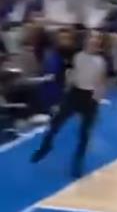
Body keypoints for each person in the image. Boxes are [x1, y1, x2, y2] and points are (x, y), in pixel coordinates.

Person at [30, 32, 107, 178]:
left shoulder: (101, 61)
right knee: (55, 123)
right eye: (92, 38)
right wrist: (66, 91)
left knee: (84, 133)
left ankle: (78, 162)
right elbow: (70, 74)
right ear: (86, 41)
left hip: (89, 97)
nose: (94, 41)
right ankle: (46, 146)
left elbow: (100, 82)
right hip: (75, 94)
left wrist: (97, 101)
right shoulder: (77, 56)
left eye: (97, 39)